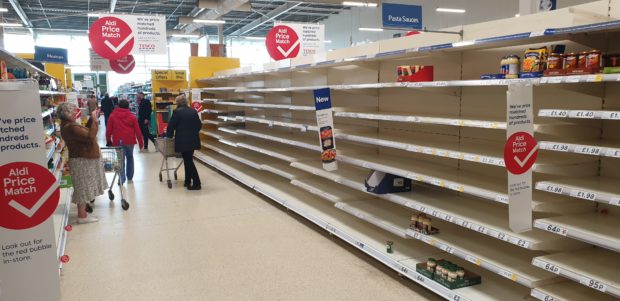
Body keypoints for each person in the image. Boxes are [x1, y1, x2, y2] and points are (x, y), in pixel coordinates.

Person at [58, 102, 107, 224]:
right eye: (73, 111)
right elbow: (90, 136)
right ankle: (82, 216)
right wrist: (95, 120)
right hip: (81, 161)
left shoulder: (69, 125)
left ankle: (83, 213)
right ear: (66, 113)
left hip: (80, 159)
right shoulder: (71, 127)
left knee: (82, 186)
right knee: (83, 187)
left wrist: (91, 119)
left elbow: (85, 132)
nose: (75, 113)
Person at [167, 95, 202, 190]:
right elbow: (199, 125)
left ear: (177, 103)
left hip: (182, 141)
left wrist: (168, 136)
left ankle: (197, 183)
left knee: (188, 161)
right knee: (188, 160)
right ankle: (187, 181)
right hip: (193, 140)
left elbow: (171, 126)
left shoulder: (177, 112)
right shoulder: (193, 111)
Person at [106, 99, 144, 184]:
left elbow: (108, 130)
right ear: (128, 106)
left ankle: (122, 178)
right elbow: (138, 130)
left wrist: (108, 140)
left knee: (120, 159)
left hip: (118, 140)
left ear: (118, 106)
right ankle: (130, 177)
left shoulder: (113, 115)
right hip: (129, 140)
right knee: (130, 157)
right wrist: (141, 143)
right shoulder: (132, 116)